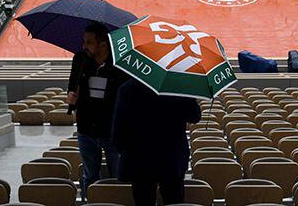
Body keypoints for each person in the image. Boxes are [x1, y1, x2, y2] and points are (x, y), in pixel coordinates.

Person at [112, 78, 201, 206]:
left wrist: (125, 150)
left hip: (139, 159)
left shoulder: (128, 88)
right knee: (174, 201)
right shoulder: (179, 87)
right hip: (171, 158)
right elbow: (194, 116)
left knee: (143, 201)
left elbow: (118, 131)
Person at [67, 22, 125, 198]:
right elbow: (72, 86)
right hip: (86, 129)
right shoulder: (80, 59)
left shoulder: (120, 64)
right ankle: (90, 202)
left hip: (112, 131)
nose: (84, 45)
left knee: (119, 177)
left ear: (103, 44)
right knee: (89, 176)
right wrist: (71, 98)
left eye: (89, 42)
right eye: (84, 41)